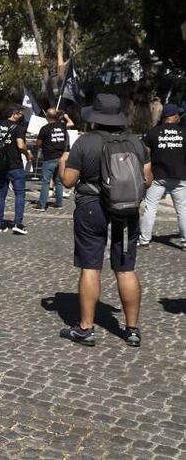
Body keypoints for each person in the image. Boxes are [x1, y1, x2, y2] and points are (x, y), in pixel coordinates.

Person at [59, 93, 150, 347]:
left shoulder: (85, 143)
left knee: (91, 266)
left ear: (95, 117)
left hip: (92, 207)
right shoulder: (136, 143)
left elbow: (68, 181)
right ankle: (132, 330)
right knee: (126, 268)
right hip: (127, 209)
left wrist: (62, 163)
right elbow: (148, 179)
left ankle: (86, 329)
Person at [138, 103, 185, 249]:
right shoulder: (184, 132)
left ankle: (144, 239)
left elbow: (144, 153)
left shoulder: (153, 132)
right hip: (180, 177)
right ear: (175, 116)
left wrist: (145, 172)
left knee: (150, 207)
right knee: (183, 209)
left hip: (157, 177)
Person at [0, 104, 32, 235]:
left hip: (0, 164)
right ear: (13, 114)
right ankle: (18, 224)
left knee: (1, 194)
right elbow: (20, 145)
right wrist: (27, 153)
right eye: (19, 114)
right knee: (20, 194)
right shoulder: (18, 128)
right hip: (15, 164)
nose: (21, 116)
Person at [35, 108, 73, 211]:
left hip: (49, 158)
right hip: (61, 158)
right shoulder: (62, 126)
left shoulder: (44, 129)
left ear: (47, 117)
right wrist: (66, 117)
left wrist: (40, 141)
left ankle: (42, 205)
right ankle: (59, 203)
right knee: (59, 181)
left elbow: (38, 144)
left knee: (45, 182)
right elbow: (70, 123)